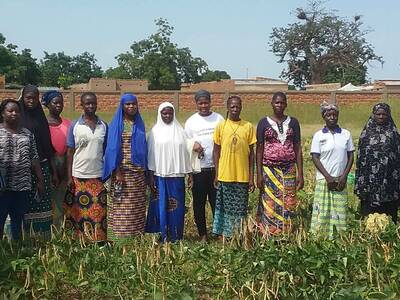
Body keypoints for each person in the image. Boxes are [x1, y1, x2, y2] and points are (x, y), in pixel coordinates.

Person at [256, 92, 304, 236]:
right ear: (272, 104)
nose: (279, 105)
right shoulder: (263, 123)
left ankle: (286, 233)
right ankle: (269, 233)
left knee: (288, 200)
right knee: (269, 200)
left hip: (289, 168)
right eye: (277, 102)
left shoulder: (293, 122)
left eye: (282, 103)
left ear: (286, 104)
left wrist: (300, 173)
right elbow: (259, 149)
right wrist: (258, 174)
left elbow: (297, 147)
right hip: (269, 169)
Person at [146, 102, 194, 242]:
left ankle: (176, 236)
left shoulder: (180, 131)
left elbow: (187, 153)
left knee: (177, 207)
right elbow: (150, 155)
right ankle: (163, 235)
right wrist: (150, 177)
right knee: (161, 206)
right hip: (160, 176)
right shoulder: (154, 133)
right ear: (160, 114)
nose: (167, 116)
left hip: (177, 176)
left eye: (170, 113)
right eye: (164, 113)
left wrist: (190, 174)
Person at [103, 93, 148, 242]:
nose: (131, 106)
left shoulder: (139, 124)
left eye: (133, 104)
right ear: (122, 106)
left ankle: (136, 239)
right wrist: (117, 171)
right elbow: (112, 149)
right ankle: (119, 240)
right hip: (123, 174)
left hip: (138, 175)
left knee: (137, 208)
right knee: (122, 208)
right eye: (127, 104)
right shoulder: (117, 124)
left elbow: (143, 149)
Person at [212, 95, 256, 238]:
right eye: (232, 106)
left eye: (238, 106)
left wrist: (251, 177)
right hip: (225, 175)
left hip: (242, 177)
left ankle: (238, 234)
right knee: (223, 208)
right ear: (228, 108)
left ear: (241, 107)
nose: (235, 109)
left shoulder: (248, 127)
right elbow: (216, 151)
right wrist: (217, 174)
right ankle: (224, 235)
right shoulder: (221, 126)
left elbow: (252, 155)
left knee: (240, 208)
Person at [66, 92, 108, 241]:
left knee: (98, 213)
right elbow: (70, 152)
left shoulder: (103, 126)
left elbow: (106, 150)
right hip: (79, 176)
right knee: (79, 213)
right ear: (81, 105)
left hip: (97, 176)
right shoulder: (75, 126)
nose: (91, 106)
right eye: (87, 103)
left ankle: (98, 242)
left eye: (93, 103)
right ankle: (81, 242)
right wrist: (69, 176)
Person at [0, 99, 44, 240]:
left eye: (17, 111)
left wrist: (40, 179)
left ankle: (16, 251)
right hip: (2, 186)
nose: (14, 113)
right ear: (2, 113)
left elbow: (34, 157)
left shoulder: (27, 133)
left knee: (18, 221)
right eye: (10, 111)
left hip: (22, 185)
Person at [310, 102, 355, 237]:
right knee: (322, 212)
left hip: (340, 179)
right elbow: (315, 157)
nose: (332, 117)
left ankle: (339, 239)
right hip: (324, 179)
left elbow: (351, 156)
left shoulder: (346, 134)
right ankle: (319, 239)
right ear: (323, 117)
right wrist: (327, 177)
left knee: (340, 213)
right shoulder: (318, 135)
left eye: (335, 115)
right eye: (328, 115)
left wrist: (344, 176)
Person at [19, 85, 58, 237]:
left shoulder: (40, 119)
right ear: (22, 97)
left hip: (42, 168)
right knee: (22, 207)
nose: (31, 101)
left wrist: (53, 172)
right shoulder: (17, 117)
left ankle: (42, 241)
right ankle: (21, 240)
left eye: (35, 98)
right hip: (21, 171)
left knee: (42, 205)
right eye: (28, 97)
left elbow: (48, 148)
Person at [184, 90, 224, 241]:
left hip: (216, 168)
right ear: (196, 104)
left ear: (210, 102)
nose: (203, 106)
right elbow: (185, 144)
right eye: (200, 103)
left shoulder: (218, 119)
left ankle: (218, 232)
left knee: (217, 202)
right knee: (199, 204)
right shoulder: (191, 122)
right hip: (198, 169)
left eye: (206, 102)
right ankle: (202, 234)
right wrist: (192, 145)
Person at [355, 103, 400, 223]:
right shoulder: (366, 134)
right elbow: (360, 159)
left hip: (389, 184)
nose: (381, 116)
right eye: (378, 114)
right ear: (373, 115)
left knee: (389, 218)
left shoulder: (394, 134)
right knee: (369, 218)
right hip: (370, 184)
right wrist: (360, 184)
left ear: (388, 115)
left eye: (384, 114)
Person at [42, 91, 71, 228]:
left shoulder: (68, 124)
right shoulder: (42, 125)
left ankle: (60, 233)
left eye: (61, 102)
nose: (59, 105)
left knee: (61, 203)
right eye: (55, 102)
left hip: (64, 167)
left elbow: (70, 150)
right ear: (48, 105)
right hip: (48, 167)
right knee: (48, 203)